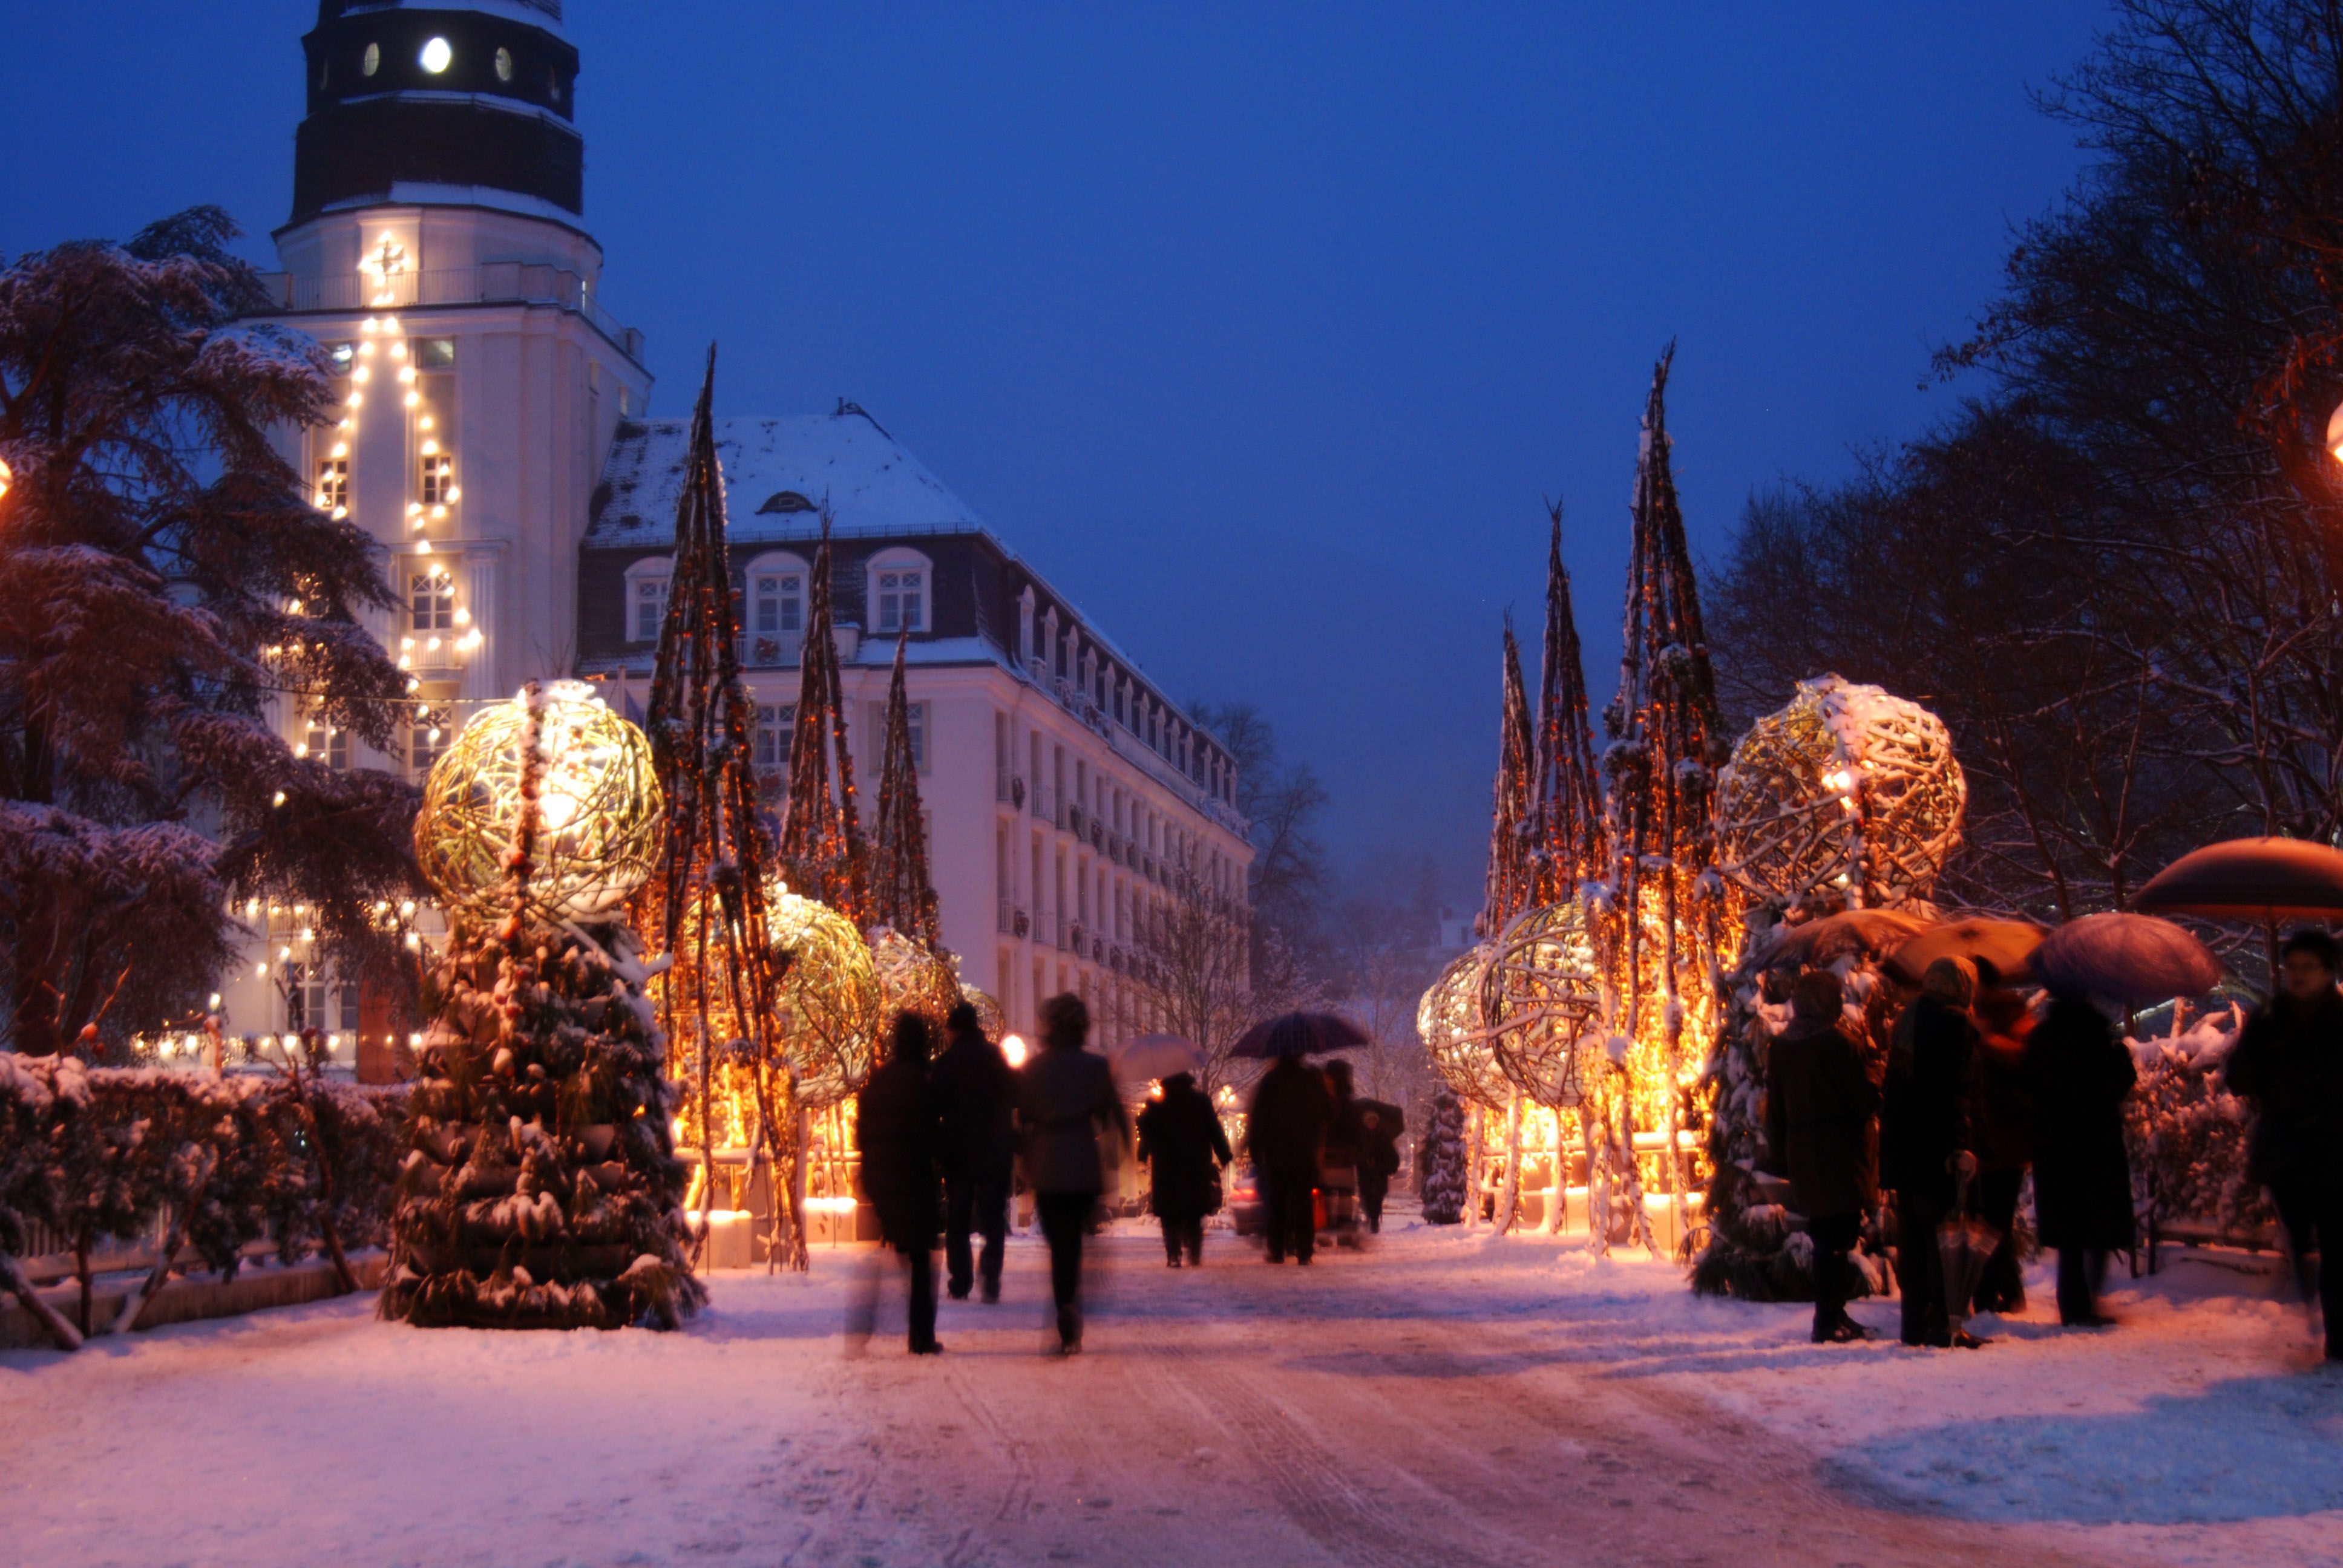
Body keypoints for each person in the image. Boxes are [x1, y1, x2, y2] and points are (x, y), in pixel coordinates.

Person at [2225, 928, 2343, 1364]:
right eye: (2292, 966)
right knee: (2299, 1235)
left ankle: (2338, 1337)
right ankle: (2304, 1269)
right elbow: (2239, 1077)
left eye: (2308, 967)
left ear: (2329, 972)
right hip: (2286, 1150)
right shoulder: (2269, 1019)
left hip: (2334, 1150)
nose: (2297, 975)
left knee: (2338, 1245)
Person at [1763, 969, 1881, 1344]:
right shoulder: (1838, 1044)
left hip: (1804, 1153)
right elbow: (1863, 1100)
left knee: (1826, 1233)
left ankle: (1833, 1313)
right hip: (1840, 1152)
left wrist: (1781, 1154)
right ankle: (1828, 1319)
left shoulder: (1783, 1047)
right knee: (1838, 1237)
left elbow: (1776, 1109)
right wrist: (1875, 1072)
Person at [1880, 956, 1985, 1348]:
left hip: (1906, 1149)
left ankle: (1914, 1326)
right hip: (1937, 1146)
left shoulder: (1909, 1018)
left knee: (1915, 1237)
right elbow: (1956, 1091)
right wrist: (1961, 1145)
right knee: (1946, 1236)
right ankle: (1946, 1324)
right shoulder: (1955, 1022)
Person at [1015, 993, 1128, 1353]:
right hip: (1082, 1163)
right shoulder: (1095, 1067)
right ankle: (1072, 1306)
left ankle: (1064, 1303)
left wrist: (1024, 1159)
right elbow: (1114, 1114)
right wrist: (1118, 1153)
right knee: (1075, 1243)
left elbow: (1021, 1119)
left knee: (1058, 1244)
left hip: (1047, 1166)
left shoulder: (1034, 1069)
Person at [2025, 983, 2137, 1328]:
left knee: (2069, 1232)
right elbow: (2113, 1086)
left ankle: (2072, 1303)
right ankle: (2088, 1298)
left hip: (2055, 1146)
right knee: (2098, 1227)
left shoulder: (2041, 1037)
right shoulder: (2096, 1035)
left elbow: (2029, 1083)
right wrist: (2121, 1059)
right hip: (2095, 1144)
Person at [853, 1011, 945, 1355]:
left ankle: (863, 1327)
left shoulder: (878, 1081)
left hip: (882, 1176)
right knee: (922, 1260)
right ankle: (920, 1335)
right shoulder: (924, 1080)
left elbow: (862, 1130)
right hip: (915, 1177)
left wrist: (870, 1170)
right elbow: (933, 1132)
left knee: (885, 1252)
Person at [930, 1001, 1017, 1304]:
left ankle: (961, 1280)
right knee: (993, 1216)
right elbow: (1013, 1098)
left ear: (954, 1030)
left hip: (958, 1154)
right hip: (995, 1151)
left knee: (959, 1218)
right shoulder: (997, 1058)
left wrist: (940, 1145)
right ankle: (991, 1275)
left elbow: (934, 1109)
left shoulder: (945, 1063)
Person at [1970, 976, 2036, 1315]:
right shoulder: (2018, 1044)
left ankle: (1993, 1293)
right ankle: (2006, 1291)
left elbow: (1994, 1101)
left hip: (1994, 1147)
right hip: (2009, 1147)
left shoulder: (1992, 1050)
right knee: (1998, 1222)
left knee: (1992, 1224)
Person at [1135, 1070, 1233, 1267]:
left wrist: (1143, 1155)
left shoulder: (1157, 1106)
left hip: (1166, 1168)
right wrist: (1224, 1154)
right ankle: (1195, 1252)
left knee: (1169, 1214)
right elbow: (1214, 1129)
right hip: (1195, 1165)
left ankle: (1173, 1253)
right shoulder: (1200, 1102)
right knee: (1194, 1210)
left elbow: (1147, 1133)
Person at [1246, 1049, 1334, 1264]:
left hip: (1277, 1154)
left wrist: (1256, 1149)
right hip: (1305, 1153)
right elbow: (1329, 1113)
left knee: (1278, 1203)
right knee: (1303, 1203)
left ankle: (1277, 1251)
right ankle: (1305, 1251)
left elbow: (1259, 1118)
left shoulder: (1270, 1081)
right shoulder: (1310, 1080)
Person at [1345, 1091, 1406, 1234]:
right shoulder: (1360, 1137)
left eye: (1373, 1121)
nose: (1371, 1123)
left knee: (1377, 1196)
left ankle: (1373, 1220)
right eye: (1369, 1121)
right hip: (1365, 1171)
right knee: (1366, 1195)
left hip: (1379, 1171)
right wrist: (1362, 1159)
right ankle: (1370, 1216)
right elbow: (1355, 1152)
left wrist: (1389, 1165)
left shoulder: (1384, 1136)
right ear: (1366, 1122)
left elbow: (1391, 1153)